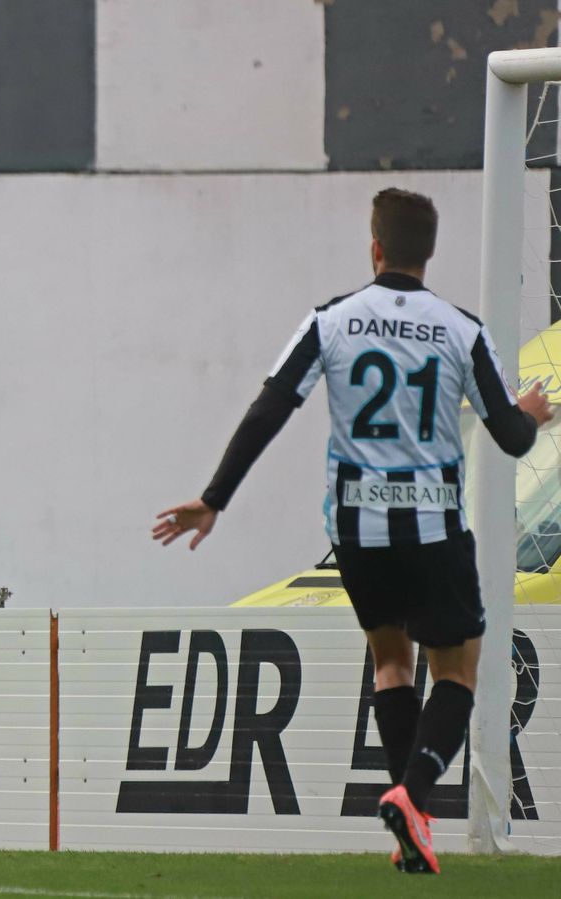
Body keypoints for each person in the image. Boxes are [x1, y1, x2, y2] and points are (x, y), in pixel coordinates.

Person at [153, 188, 553, 874]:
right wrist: (532, 411)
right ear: (428, 253)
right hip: (431, 523)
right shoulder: (461, 328)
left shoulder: (332, 321)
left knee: (391, 661)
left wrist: (214, 497)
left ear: (375, 249)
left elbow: (270, 407)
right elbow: (511, 437)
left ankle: (411, 825)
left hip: (357, 527)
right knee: (457, 666)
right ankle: (415, 793)